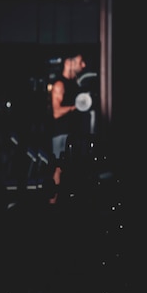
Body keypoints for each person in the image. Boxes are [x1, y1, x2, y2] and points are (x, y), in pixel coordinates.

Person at [48, 51, 87, 204]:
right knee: (59, 169)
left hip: (72, 134)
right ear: (68, 63)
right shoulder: (60, 84)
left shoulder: (74, 84)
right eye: (80, 62)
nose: (83, 65)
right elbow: (56, 112)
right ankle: (52, 205)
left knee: (72, 170)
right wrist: (73, 107)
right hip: (60, 134)